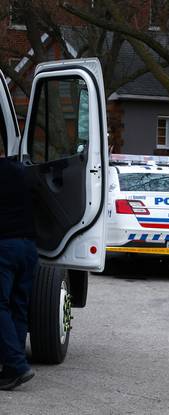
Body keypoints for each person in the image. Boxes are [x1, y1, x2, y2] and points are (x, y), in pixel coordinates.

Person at [0, 144, 38, 391]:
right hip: (28, 247)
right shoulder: (22, 172)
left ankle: (17, 364)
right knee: (18, 307)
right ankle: (13, 368)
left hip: (4, 247)